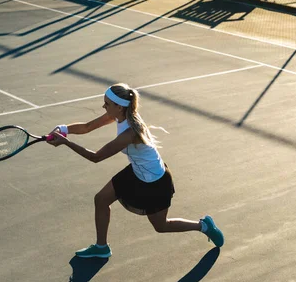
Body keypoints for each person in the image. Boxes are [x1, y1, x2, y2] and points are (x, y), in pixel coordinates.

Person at [47, 83, 224, 258]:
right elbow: (87, 127)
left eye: (107, 104)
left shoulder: (130, 133)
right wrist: (63, 129)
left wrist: (66, 142)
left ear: (119, 106)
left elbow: (96, 157)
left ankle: (203, 226)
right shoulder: (118, 115)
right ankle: (101, 247)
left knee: (161, 226)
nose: (104, 106)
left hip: (155, 181)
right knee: (101, 199)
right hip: (136, 171)